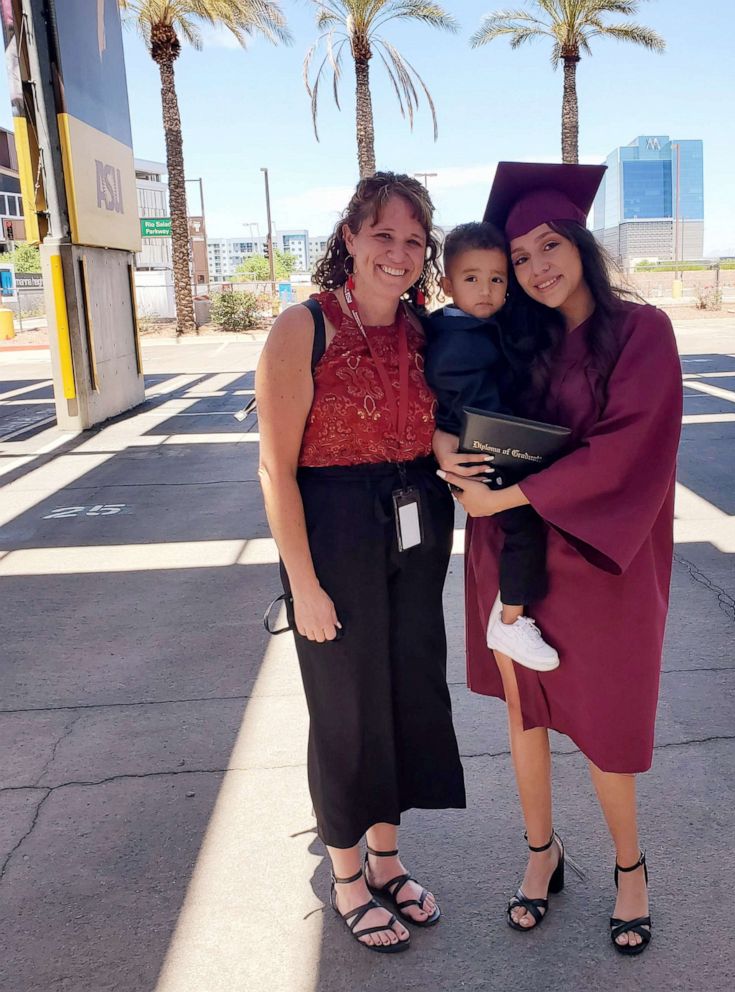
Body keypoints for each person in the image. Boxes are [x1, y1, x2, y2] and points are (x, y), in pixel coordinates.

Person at [435, 162, 683, 956]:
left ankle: (630, 868)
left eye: (550, 247)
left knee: (608, 723)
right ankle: (543, 853)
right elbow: (451, 401)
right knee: (524, 714)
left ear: (579, 243)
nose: (537, 269)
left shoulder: (643, 333)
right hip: (515, 560)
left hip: (604, 561)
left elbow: (626, 452)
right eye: (521, 257)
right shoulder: (512, 335)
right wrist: (447, 449)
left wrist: (502, 498)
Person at [255, 172, 466, 955]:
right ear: (349, 237)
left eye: (414, 240)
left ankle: (386, 857)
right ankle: (347, 878)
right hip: (333, 534)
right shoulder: (301, 329)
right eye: (384, 235)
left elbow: (446, 427)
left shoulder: (426, 331)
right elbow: (276, 469)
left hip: (416, 525)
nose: (400, 253)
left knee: (406, 695)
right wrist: (303, 584)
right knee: (345, 709)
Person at [425, 221, 558, 672]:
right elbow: (474, 401)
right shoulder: (454, 341)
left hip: (486, 440)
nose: (486, 290)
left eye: (497, 279)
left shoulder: (458, 326)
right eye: (471, 279)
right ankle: (510, 619)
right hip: (482, 448)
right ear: (446, 284)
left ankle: (513, 611)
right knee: (523, 528)